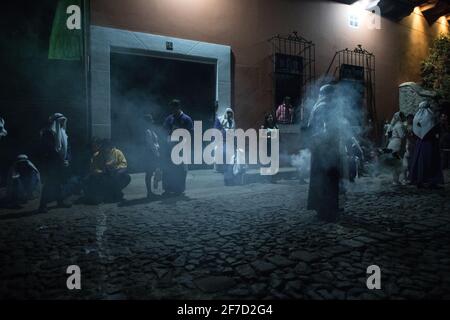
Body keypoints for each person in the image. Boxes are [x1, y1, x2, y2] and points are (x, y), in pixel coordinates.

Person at [307, 84, 341, 222]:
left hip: (321, 147)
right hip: (325, 148)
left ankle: (326, 206)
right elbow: (325, 129)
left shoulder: (319, 105)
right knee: (326, 178)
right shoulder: (324, 106)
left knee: (323, 177)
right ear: (328, 94)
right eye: (332, 94)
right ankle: (325, 208)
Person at [38, 113, 71, 213]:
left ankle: (60, 201)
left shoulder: (63, 132)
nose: (62, 123)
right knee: (49, 183)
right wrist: (61, 160)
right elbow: (50, 149)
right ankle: (42, 205)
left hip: (61, 162)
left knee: (60, 183)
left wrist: (67, 159)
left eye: (63, 121)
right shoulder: (47, 133)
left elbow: (68, 148)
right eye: (60, 121)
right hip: (52, 163)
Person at [162, 99, 194, 196]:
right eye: (171, 109)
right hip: (170, 146)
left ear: (178, 107)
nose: (172, 111)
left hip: (181, 147)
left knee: (181, 169)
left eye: (174, 108)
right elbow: (164, 130)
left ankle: (179, 189)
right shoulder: (169, 119)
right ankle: (167, 188)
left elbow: (191, 133)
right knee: (168, 168)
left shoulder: (186, 119)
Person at [410, 101, 444, 189]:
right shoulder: (431, 116)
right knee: (431, 160)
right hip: (430, 143)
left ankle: (419, 180)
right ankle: (431, 181)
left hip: (419, 144)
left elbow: (414, 132)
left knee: (419, 161)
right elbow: (436, 129)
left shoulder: (416, 118)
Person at [143, 114, 161, 199]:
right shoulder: (147, 131)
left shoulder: (151, 131)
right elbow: (151, 144)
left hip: (153, 153)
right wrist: (157, 153)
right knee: (149, 173)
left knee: (155, 171)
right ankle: (149, 192)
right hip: (150, 154)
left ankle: (151, 191)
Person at [385, 111, 406, 185]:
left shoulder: (393, 125)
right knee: (398, 163)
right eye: (403, 116)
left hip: (392, 144)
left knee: (396, 163)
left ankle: (395, 180)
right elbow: (402, 136)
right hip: (396, 144)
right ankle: (396, 180)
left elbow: (387, 136)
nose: (404, 117)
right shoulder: (399, 125)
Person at [402, 114, 416, 183]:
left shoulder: (414, 125)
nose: (410, 120)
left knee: (411, 162)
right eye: (409, 119)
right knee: (405, 164)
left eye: (411, 119)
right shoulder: (404, 126)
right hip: (406, 144)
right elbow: (403, 136)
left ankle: (410, 177)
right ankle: (405, 177)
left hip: (412, 145)